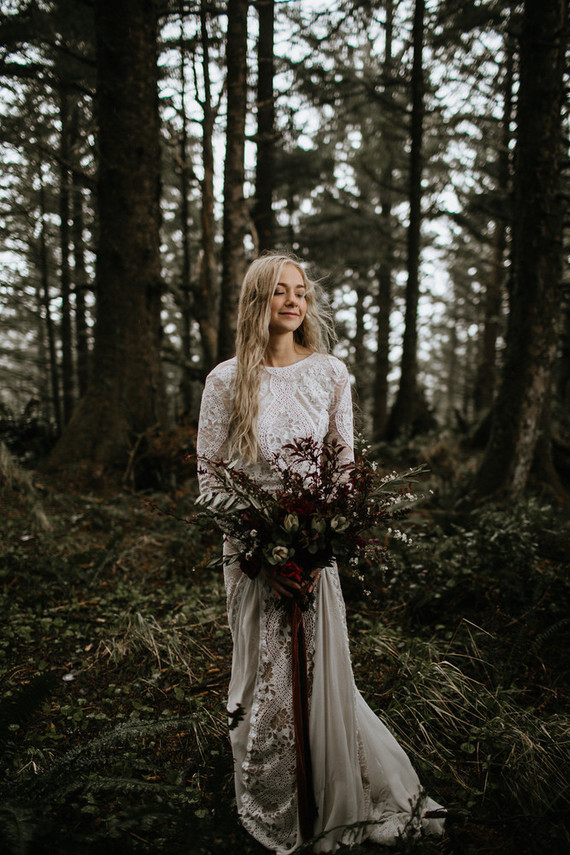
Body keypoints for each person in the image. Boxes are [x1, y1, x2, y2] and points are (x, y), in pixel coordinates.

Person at [196, 252, 444, 853]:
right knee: (266, 671)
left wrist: (313, 548)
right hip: (254, 555)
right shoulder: (226, 381)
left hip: (314, 550)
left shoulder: (330, 373)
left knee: (319, 670)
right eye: (279, 291)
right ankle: (275, 794)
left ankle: (333, 792)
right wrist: (264, 553)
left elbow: (345, 471)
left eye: (301, 292)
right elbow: (211, 482)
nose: (293, 301)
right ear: (258, 301)